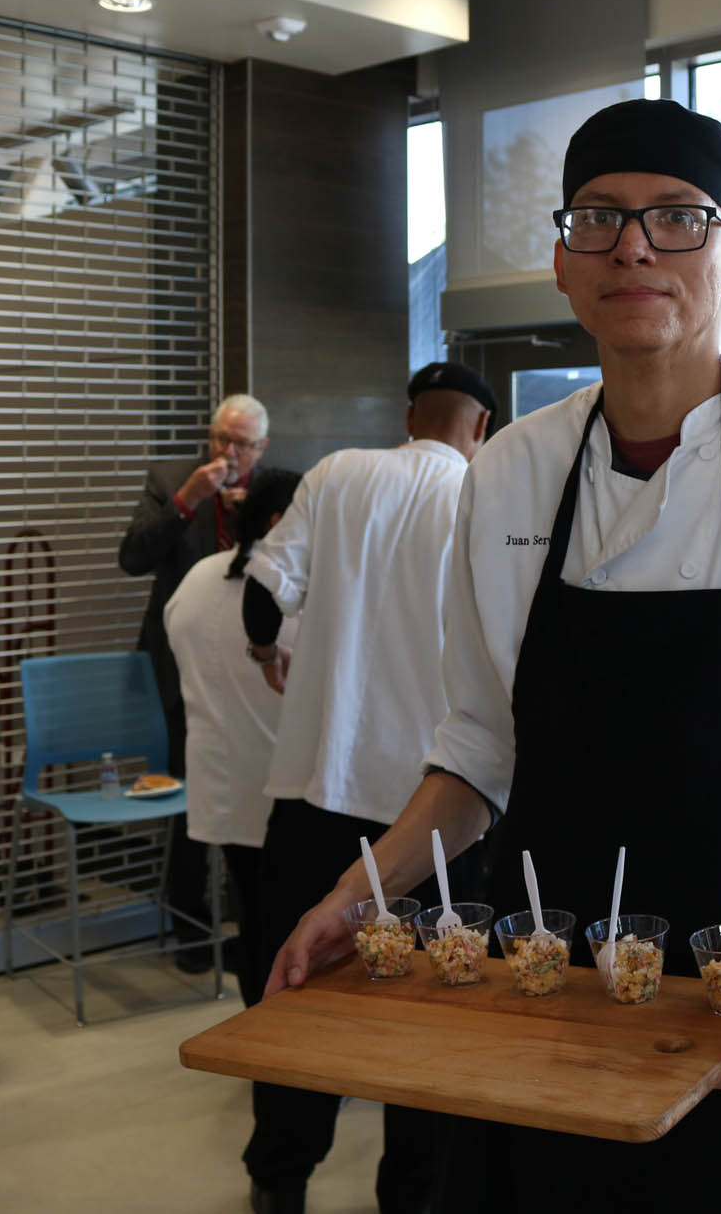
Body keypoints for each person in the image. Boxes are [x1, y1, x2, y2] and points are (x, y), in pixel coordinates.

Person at [268, 97, 721, 1213]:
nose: (632, 248)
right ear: (562, 265)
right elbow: (477, 749)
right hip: (547, 1000)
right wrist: (357, 891)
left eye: (675, 220)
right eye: (598, 220)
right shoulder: (508, 475)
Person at [236, 362, 494, 1214]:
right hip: (440, 817)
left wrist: (264, 653)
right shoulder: (488, 494)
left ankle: (280, 1181)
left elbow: (264, 593)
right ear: (481, 428)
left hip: (317, 794)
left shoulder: (339, 473)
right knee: (433, 1025)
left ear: (406, 416)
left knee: (295, 1000)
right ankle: (410, 1198)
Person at [118, 393, 275, 968]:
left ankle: (250, 929)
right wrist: (189, 501)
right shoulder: (170, 480)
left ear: (262, 448)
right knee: (191, 792)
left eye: (242, 444)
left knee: (255, 793)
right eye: (220, 440)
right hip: (181, 663)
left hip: (260, 663)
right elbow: (132, 557)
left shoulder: (282, 486)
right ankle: (187, 925)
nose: (229, 453)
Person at [162, 466, 302, 1006]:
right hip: (286, 792)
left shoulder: (197, 578)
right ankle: (294, 1059)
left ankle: (260, 1046)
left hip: (223, 786)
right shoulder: (290, 595)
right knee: (296, 929)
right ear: (278, 520)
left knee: (253, 920)